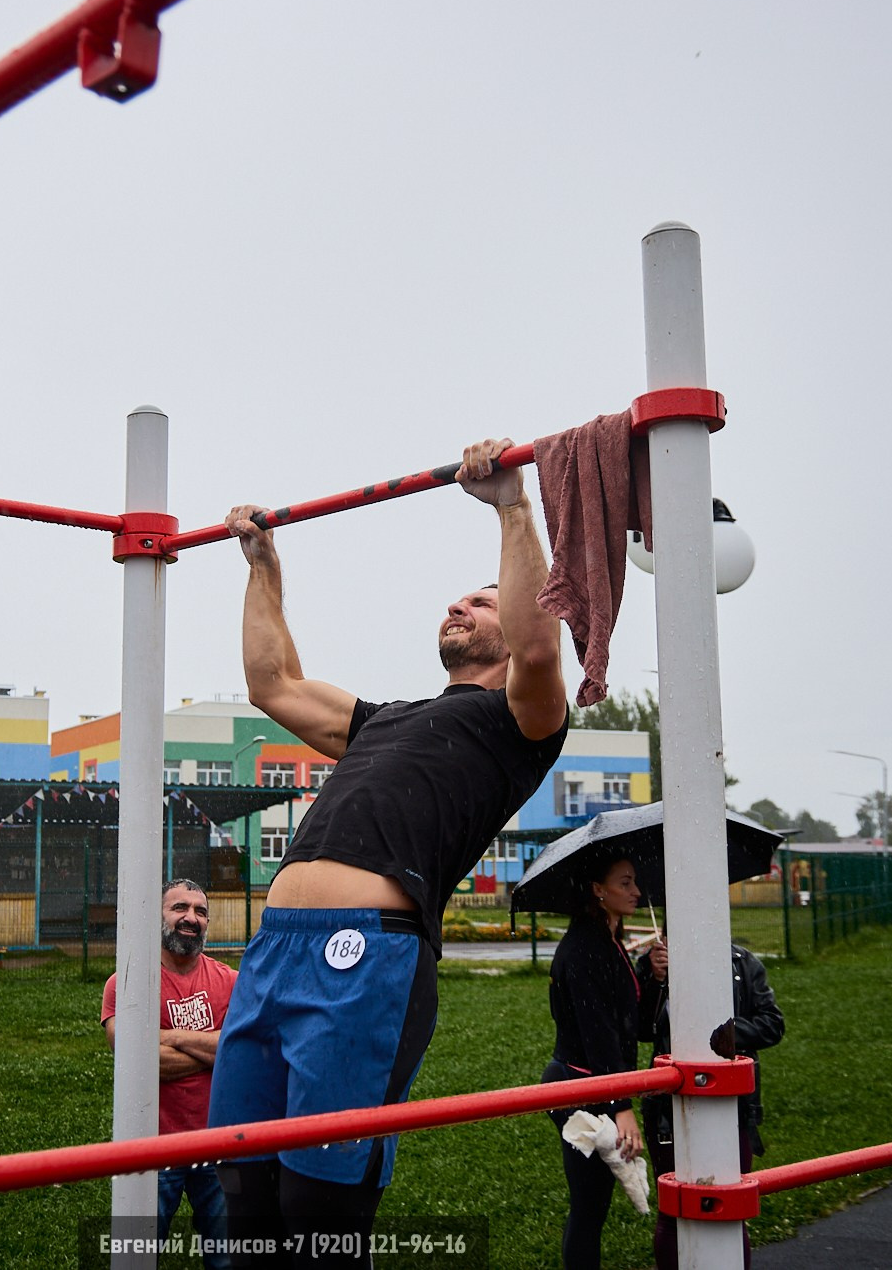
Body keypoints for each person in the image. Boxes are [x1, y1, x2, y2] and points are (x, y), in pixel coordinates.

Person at [208, 437, 571, 1265]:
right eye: (458, 599)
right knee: (243, 1197)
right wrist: (262, 564)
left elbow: (542, 646)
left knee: (319, 1211)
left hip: (364, 957)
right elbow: (274, 685)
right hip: (271, 957)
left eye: (481, 602)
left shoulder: (522, 722)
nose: (460, 606)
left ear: (512, 625)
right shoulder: (385, 716)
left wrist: (512, 505)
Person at [100, 879, 239, 1269]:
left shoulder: (230, 982)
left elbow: (240, 1052)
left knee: (228, 1258)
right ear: (156, 916)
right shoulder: (126, 982)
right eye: (179, 908)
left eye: (200, 911)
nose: (191, 918)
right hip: (152, 1146)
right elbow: (135, 1059)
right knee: (137, 1256)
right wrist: (214, 1048)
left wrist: (167, 1036)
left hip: (219, 1142)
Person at [636, 936, 785, 1270]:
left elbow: (773, 1024)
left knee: (732, 1206)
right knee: (672, 1209)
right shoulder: (654, 964)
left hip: (732, 1105)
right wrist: (655, 980)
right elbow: (642, 1029)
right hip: (669, 1108)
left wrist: (724, 1034)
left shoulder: (742, 963)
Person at [543, 852, 650, 1270]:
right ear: (598, 890)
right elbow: (599, 1033)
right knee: (589, 1205)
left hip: (593, 1086)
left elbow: (630, 1024)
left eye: (635, 882)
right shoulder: (585, 948)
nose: (636, 891)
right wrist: (621, 1107)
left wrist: (653, 977)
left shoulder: (608, 942)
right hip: (576, 1089)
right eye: (625, 883)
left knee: (594, 1204)